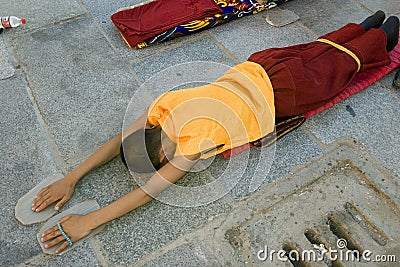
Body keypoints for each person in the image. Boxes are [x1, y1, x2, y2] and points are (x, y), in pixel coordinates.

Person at [32, 11, 399, 254]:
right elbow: (117, 142)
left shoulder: (193, 145)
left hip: (287, 92)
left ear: (163, 156)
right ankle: (365, 24)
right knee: (312, 50)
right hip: (260, 64)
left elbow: (146, 194)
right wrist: (72, 177)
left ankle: (382, 34)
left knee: (338, 70)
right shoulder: (164, 107)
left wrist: (89, 221)